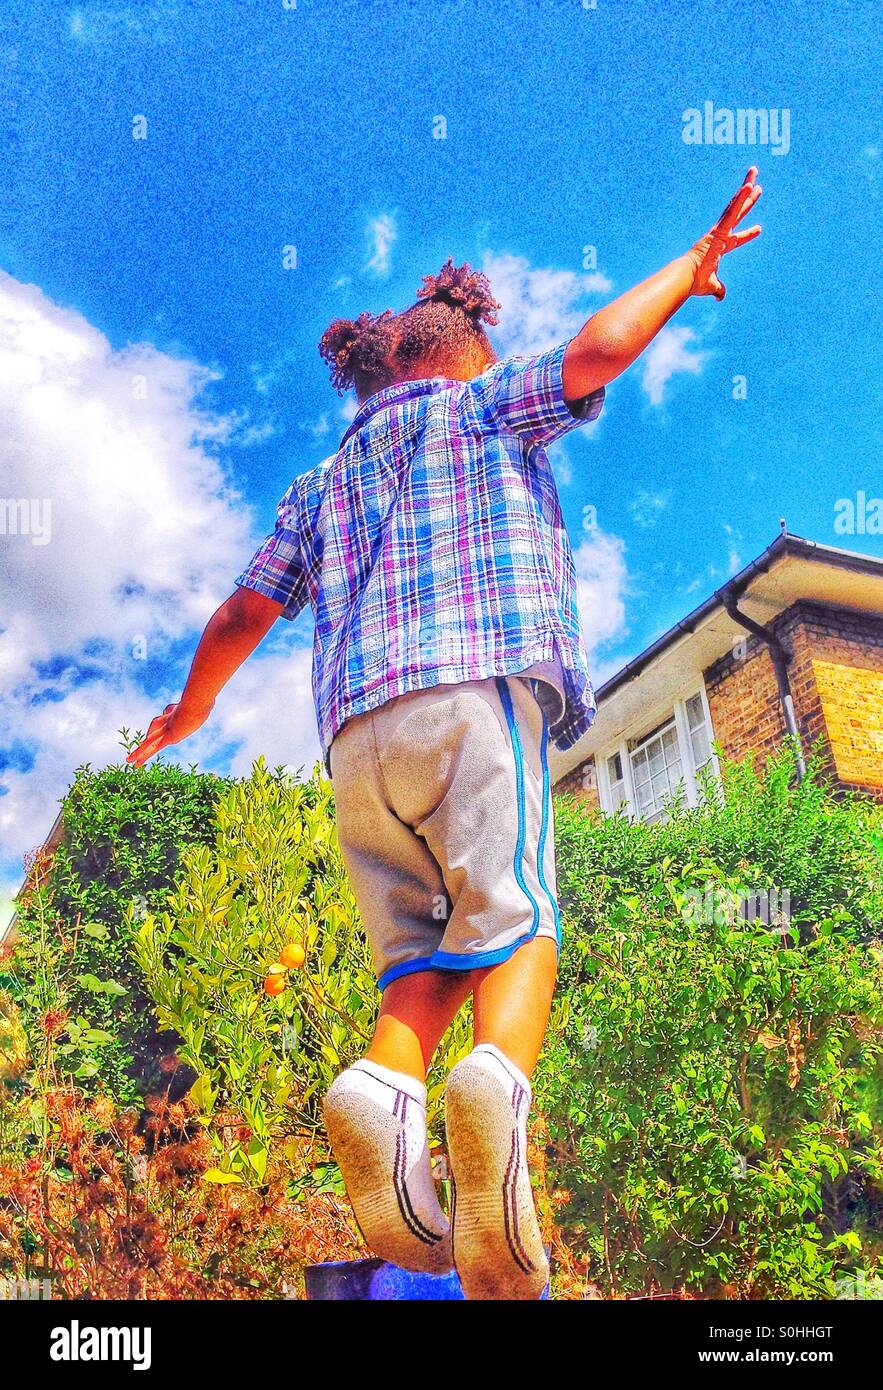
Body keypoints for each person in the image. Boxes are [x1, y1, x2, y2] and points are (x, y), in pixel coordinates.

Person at [128, 169, 762, 1299]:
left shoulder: (319, 482)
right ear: (459, 356)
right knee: (520, 918)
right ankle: (497, 1078)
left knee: (421, 956)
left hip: (357, 746)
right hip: (472, 699)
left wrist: (193, 708)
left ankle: (386, 1082)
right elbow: (595, 355)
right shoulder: (479, 407)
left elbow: (240, 613)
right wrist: (688, 265)